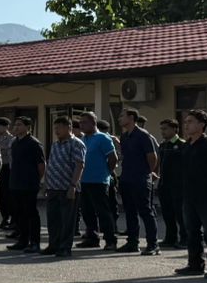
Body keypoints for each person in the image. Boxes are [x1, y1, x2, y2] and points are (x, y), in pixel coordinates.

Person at [174, 109, 207, 279]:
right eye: (186, 122)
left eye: (190, 121)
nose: (186, 125)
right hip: (188, 195)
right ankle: (195, 264)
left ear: (201, 124)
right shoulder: (186, 145)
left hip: (206, 195)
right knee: (192, 231)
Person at [117, 108, 161, 255]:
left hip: (140, 179)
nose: (119, 119)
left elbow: (152, 157)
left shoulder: (143, 135)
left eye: (122, 116)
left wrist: (147, 173)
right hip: (126, 178)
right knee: (130, 212)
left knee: (146, 211)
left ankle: (153, 244)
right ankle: (132, 242)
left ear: (131, 118)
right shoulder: (124, 136)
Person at [75, 112, 119, 250]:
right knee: (87, 212)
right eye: (80, 122)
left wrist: (106, 172)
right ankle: (92, 238)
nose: (81, 125)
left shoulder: (102, 138)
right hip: (84, 180)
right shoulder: (83, 139)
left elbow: (113, 158)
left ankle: (110, 240)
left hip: (99, 181)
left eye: (84, 122)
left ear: (93, 123)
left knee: (103, 212)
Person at [42, 116, 85, 258]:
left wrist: (73, 186)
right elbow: (51, 164)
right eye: (55, 128)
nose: (56, 131)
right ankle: (53, 245)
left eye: (59, 128)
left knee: (67, 220)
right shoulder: (55, 144)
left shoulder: (76, 144)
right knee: (53, 219)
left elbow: (79, 165)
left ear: (69, 127)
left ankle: (65, 247)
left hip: (67, 188)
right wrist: (46, 183)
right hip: (53, 187)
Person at [6, 117, 45, 253]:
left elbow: (41, 165)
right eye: (15, 125)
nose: (16, 127)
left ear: (28, 127)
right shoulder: (15, 143)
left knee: (31, 213)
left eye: (19, 125)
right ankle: (22, 240)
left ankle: (35, 242)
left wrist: (37, 180)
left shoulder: (34, 143)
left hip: (29, 184)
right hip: (15, 183)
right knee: (19, 213)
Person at [155, 119, 186, 248]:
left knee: (180, 213)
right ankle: (170, 237)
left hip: (178, 185)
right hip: (164, 184)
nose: (163, 132)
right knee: (167, 213)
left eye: (165, 129)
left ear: (175, 129)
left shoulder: (182, 144)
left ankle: (185, 238)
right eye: (161, 129)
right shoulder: (163, 145)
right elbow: (159, 163)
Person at [0, 118, 15, 231]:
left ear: (6, 127)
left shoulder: (12, 140)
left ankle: (13, 220)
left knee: (8, 196)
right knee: (0, 196)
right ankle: (5, 218)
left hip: (8, 169)